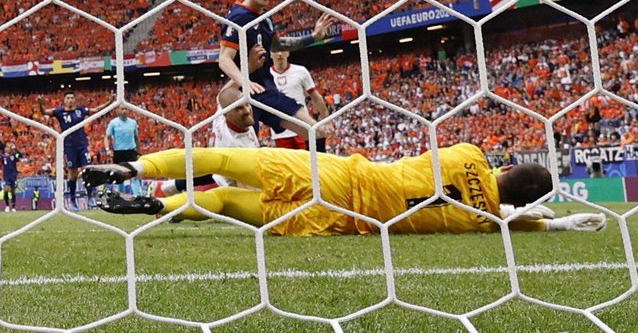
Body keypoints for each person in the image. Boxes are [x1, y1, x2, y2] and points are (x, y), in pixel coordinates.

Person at [82, 143, 606, 236]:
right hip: (335, 221)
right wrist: (553, 221)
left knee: (219, 162)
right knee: (220, 202)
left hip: (337, 175)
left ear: (508, 164)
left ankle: (134, 173)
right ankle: (153, 204)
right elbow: (513, 221)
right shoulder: (483, 221)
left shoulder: (470, 153)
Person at [219, 0, 334, 143]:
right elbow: (224, 59)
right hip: (242, 97)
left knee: (315, 132)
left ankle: (319, 170)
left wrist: (313, 37)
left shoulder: (265, 19)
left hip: (267, 91)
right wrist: (245, 81)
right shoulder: (238, 17)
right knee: (248, 152)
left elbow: (278, 45)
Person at [154, 81, 261, 198]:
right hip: (225, 185)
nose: (247, 110)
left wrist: (244, 73)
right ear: (228, 114)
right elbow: (247, 188)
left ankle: (166, 188)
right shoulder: (236, 146)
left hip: (215, 165)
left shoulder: (221, 114)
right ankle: (169, 205)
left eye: (247, 104)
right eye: (239, 108)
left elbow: (223, 95)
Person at [37, 93, 109, 210]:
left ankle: (90, 197)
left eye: (72, 98)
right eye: (68, 98)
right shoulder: (59, 112)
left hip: (82, 145)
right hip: (69, 146)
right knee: (73, 173)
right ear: (64, 100)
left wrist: (110, 102)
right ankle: (72, 199)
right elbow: (44, 112)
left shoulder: (80, 110)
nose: (70, 100)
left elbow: (96, 110)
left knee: (87, 170)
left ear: (75, 100)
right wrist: (40, 104)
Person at [269, 50, 329, 153]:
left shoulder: (300, 71)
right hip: (280, 132)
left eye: (282, 50)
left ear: (287, 53)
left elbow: (316, 98)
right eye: (275, 51)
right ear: (270, 54)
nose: (279, 54)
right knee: (288, 166)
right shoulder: (265, 75)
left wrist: (327, 121)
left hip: (303, 128)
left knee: (306, 164)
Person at [105, 108, 141, 195]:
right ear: (117, 111)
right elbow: (107, 137)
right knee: (120, 176)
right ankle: (121, 195)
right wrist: (107, 149)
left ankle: (138, 196)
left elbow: (136, 138)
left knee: (135, 174)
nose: (124, 111)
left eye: (126, 109)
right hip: (119, 152)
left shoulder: (133, 123)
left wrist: (138, 152)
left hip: (131, 152)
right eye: (122, 109)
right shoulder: (113, 123)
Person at [2, 143, 21, 212]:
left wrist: (15, 148)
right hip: (6, 175)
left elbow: (20, 155)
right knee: (6, 190)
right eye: (6, 147)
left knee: (13, 191)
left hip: (13, 175)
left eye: (8, 147)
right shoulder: (2, 156)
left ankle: (13, 207)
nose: (6, 148)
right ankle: (7, 205)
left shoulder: (14, 156)